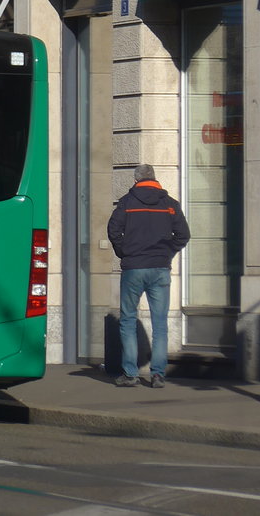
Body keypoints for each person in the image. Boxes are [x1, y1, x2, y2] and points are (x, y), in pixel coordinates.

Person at [107, 164, 190, 388]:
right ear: (154, 179)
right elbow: (183, 235)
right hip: (160, 268)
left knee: (127, 320)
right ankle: (158, 374)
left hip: (134, 267)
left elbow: (113, 229)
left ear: (136, 180)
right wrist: (167, 252)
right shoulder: (170, 204)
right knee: (160, 323)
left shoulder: (127, 202)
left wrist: (124, 251)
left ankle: (131, 374)